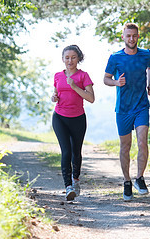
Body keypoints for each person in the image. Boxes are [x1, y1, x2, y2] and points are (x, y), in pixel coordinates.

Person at [104, 23, 150, 201]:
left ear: (138, 36)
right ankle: (127, 181)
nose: (131, 39)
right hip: (123, 109)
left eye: (134, 36)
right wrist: (116, 83)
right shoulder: (115, 57)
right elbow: (106, 79)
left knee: (142, 142)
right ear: (123, 37)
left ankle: (139, 178)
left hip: (141, 105)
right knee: (125, 146)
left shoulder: (146, 54)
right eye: (128, 36)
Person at [51, 45, 95, 200]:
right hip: (60, 117)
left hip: (78, 119)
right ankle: (68, 186)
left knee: (76, 152)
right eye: (67, 57)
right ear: (63, 59)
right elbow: (56, 93)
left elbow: (91, 98)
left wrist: (75, 86)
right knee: (66, 151)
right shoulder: (57, 75)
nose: (70, 60)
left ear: (79, 59)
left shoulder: (83, 76)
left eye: (73, 57)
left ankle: (76, 180)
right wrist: (54, 97)